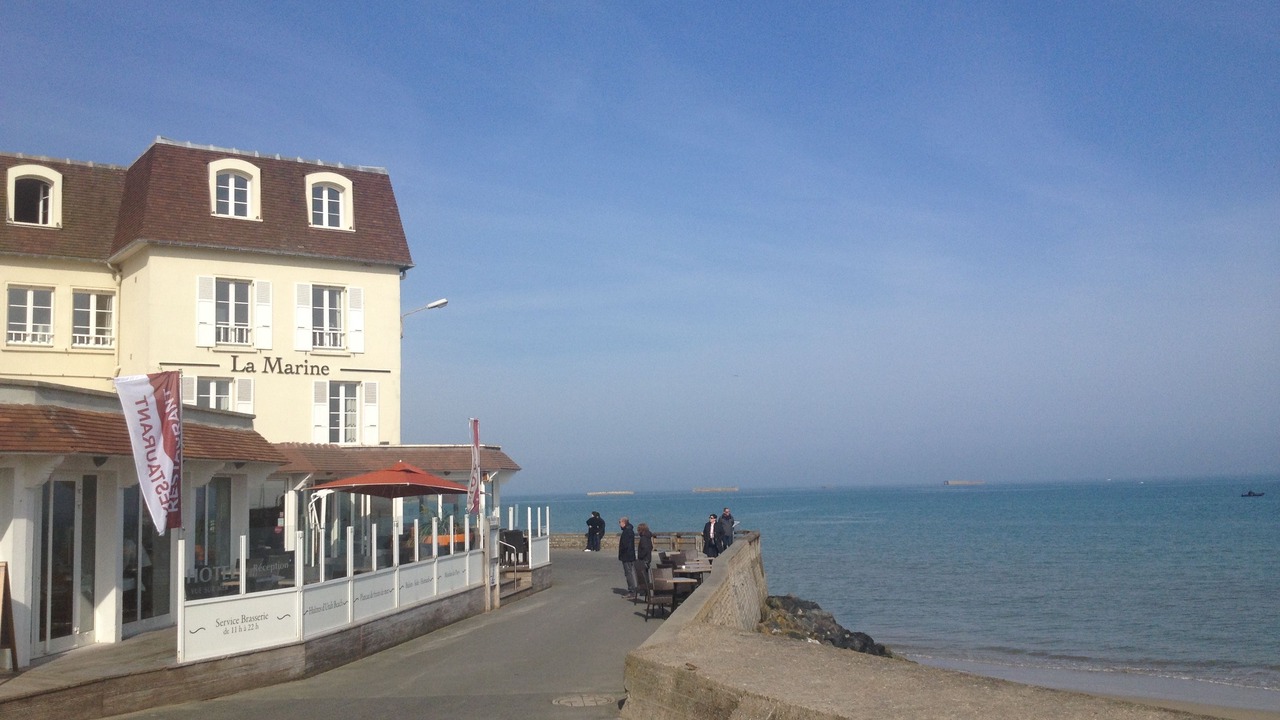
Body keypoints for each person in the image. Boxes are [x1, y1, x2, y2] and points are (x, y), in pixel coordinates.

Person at [617, 516, 638, 598]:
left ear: (624, 522)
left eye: (620, 522)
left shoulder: (627, 531)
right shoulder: (629, 530)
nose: (619, 524)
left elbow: (625, 545)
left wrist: (622, 553)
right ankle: (632, 590)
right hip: (629, 555)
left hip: (627, 556)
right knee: (629, 573)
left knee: (628, 573)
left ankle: (632, 590)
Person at [635, 522, 654, 590]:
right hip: (648, 559)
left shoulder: (643, 538)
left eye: (638, 530)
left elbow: (645, 549)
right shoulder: (648, 537)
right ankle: (646, 590)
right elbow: (651, 547)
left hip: (644, 559)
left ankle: (644, 590)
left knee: (643, 576)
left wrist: (640, 556)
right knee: (645, 575)